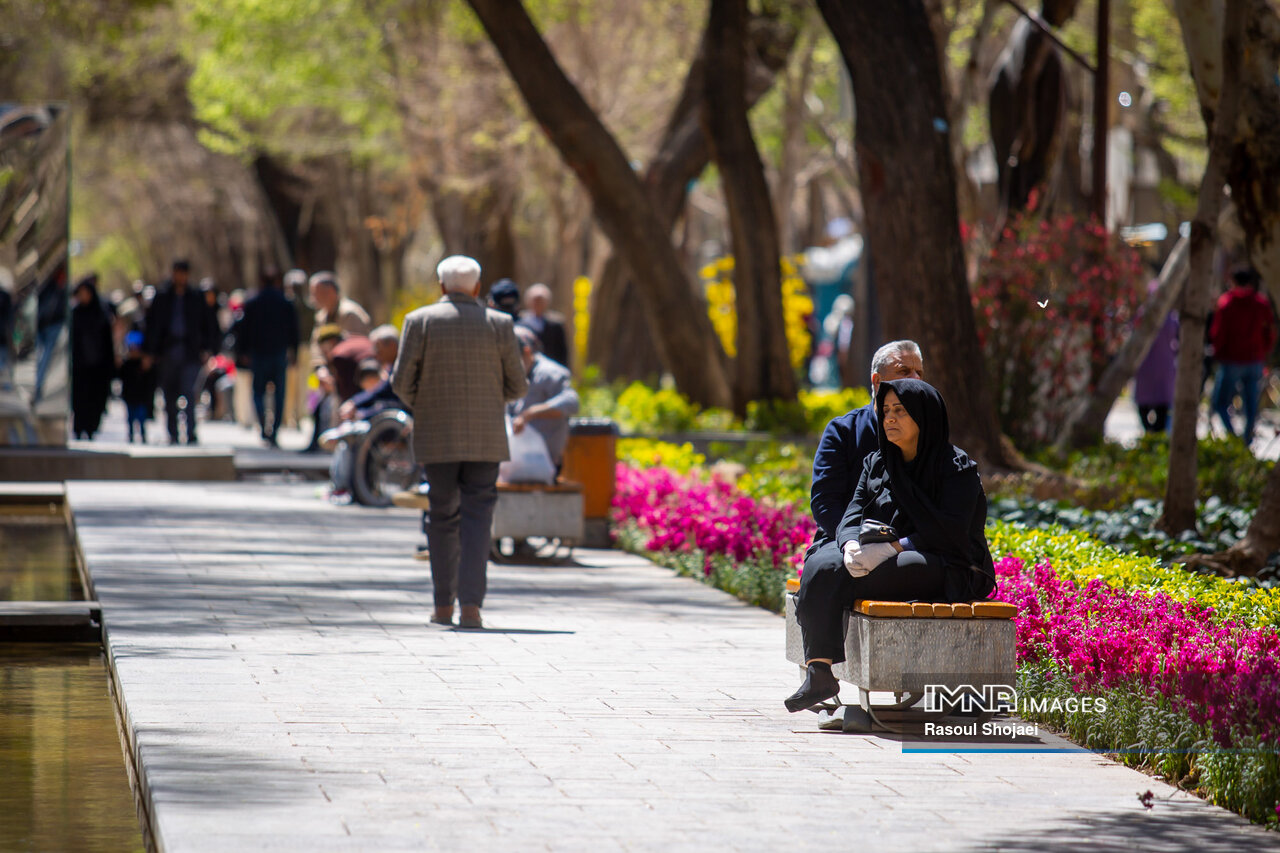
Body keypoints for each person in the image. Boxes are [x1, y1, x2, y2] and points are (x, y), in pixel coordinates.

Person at [786, 379, 998, 712]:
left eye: (900, 411)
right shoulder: (878, 462)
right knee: (821, 561)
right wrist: (849, 546)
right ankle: (819, 671)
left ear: (924, 416)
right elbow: (852, 514)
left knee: (860, 571)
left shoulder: (955, 467)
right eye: (885, 411)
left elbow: (952, 531)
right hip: (880, 554)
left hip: (946, 561)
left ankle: (821, 674)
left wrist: (891, 549)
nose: (889, 419)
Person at [392, 255, 527, 630]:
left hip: (437, 437)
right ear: (478, 288)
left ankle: (441, 607)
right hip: (485, 438)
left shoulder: (419, 321)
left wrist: (428, 404)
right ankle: (471, 607)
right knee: (478, 519)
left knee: (440, 517)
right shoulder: (500, 324)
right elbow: (517, 385)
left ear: (441, 287)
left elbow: (401, 383)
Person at [804, 340, 925, 582]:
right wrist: (854, 544)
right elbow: (825, 503)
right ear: (877, 381)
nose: (916, 379)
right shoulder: (843, 431)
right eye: (904, 371)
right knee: (825, 571)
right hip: (845, 541)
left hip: (906, 546)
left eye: (919, 372)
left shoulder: (929, 433)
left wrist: (893, 546)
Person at [143, 260, 219, 445]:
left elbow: (208, 324)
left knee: (190, 392)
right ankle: (173, 433)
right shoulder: (162, 297)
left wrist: (209, 350)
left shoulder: (196, 297)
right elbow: (151, 326)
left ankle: (191, 432)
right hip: (167, 353)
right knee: (169, 395)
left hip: (190, 353)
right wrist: (149, 352)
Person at [1210, 266, 1277, 445]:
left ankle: (1235, 441)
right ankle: (1246, 441)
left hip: (1231, 361)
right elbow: (1270, 331)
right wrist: (1265, 351)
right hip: (1255, 360)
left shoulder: (1227, 303)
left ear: (1233, 281)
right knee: (1250, 406)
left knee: (1220, 403)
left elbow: (1218, 333)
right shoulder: (1261, 303)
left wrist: (1216, 353)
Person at [306, 272, 371, 450]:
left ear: (332, 292)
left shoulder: (350, 314)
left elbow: (357, 349)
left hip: (350, 375)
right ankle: (317, 444)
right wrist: (320, 369)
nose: (314, 298)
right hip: (331, 372)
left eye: (318, 293)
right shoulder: (322, 316)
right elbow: (316, 345)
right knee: (316, 404)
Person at [239, 269, 299, 445]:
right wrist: (293, 351)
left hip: (259, 353)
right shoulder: (285, 302)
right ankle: (275, 430)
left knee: (258, 392)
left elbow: (244, 329)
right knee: (279, 393)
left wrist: (243, 351)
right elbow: (294, 330)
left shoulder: (253, 301)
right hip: (279, 353)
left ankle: (264, 425)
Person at [508, 325, 579, 469]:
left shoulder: (551, 373)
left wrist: (530, 413)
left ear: (527, 352)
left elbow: (571, 402)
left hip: (546, 464)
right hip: (517, 461)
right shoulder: (514, 376)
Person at [69, 274, 116, 440]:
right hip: (79, 366)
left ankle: (91, 428)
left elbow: (108, 342)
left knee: (95, 399)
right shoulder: (74, 314)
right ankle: (79, 427)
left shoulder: (101, 313)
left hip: (98, 366)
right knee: (79, 399)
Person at [1134, 279, 1178, 434]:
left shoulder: (1141, 314)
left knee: (1144, 404)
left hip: (1146, 367)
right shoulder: (1170, 317)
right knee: (1162, 405)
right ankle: (1156, 435)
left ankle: (1149, 433)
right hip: (1164, 367)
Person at [33, 266, 68, 402]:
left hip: (54, 326)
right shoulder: (49, 286)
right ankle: (36, 385)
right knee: (40, 357)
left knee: (45, 358)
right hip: (42, 326)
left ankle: (38, 386)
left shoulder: (63, 290)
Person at [316, 326, 375, 403]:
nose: (325, 355)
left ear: (332, 342)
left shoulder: (339, 355)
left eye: (324, 350)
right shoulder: (360, 339)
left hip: (364, 396)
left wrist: (333, 386)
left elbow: (345, 393)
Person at [518, 283, 570, 368]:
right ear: (528, 301)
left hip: (553, 368)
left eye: (541, 301)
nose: (538, 304)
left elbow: (562, 351)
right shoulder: (521, 323)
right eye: (535, 300)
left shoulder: (556, 324)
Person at [119, 330, 155, 443]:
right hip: (129, 397)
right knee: (130, 418)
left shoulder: (144, 365)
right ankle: (131, 434)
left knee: (141, 417)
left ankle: (143, 434)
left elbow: (151, 381)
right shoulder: (125, 365)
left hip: (141, 398)